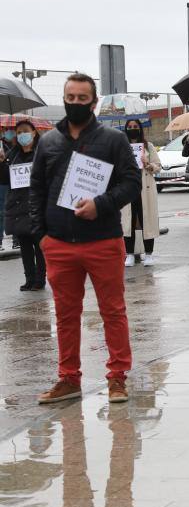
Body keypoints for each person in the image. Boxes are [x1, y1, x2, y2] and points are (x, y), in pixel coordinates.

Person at [30, 73, 141, 404]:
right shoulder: (48, 142)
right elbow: (36, 190)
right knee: (65, 315)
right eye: (71, 97)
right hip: (59, 244)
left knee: (113, 311)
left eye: (82, 98)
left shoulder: (113, 140)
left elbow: (132, 182)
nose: (75, 102)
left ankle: (117, 378)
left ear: (94, 102)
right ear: (64, 99)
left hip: (103, 241)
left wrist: (101, 205)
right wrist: (42, 236)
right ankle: (68, 379)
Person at [0, 120, 45, 290]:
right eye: (18, 133)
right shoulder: (12, 155)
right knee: (25, 246)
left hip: (36, 205)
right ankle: (29, 278)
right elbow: (5, 180)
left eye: (25, 131)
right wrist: (2, 163)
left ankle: (40, 279)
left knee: (39, 246)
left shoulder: (42, 153)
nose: (21, 135)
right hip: (18, 207)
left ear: (34, 132)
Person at [121, 120, 161, 267]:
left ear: (140, 129)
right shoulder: (122, 147)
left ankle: (149, 254)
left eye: (135, 127)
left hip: (146, 189)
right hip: (128, 189)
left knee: (147, 221)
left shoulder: (148, 146)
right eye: (130, 127)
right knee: (128, 222)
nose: (133, 129)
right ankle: (129, 254)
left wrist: (147, 164)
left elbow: (158, 166)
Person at [0, 127, 15, 251]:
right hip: (3, 183)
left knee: (16, 211)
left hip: (16, 183)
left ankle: (17, 240)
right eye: (7, 130)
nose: (9, 132)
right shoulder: (2, 146)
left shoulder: (16, 146)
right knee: (1, 212)